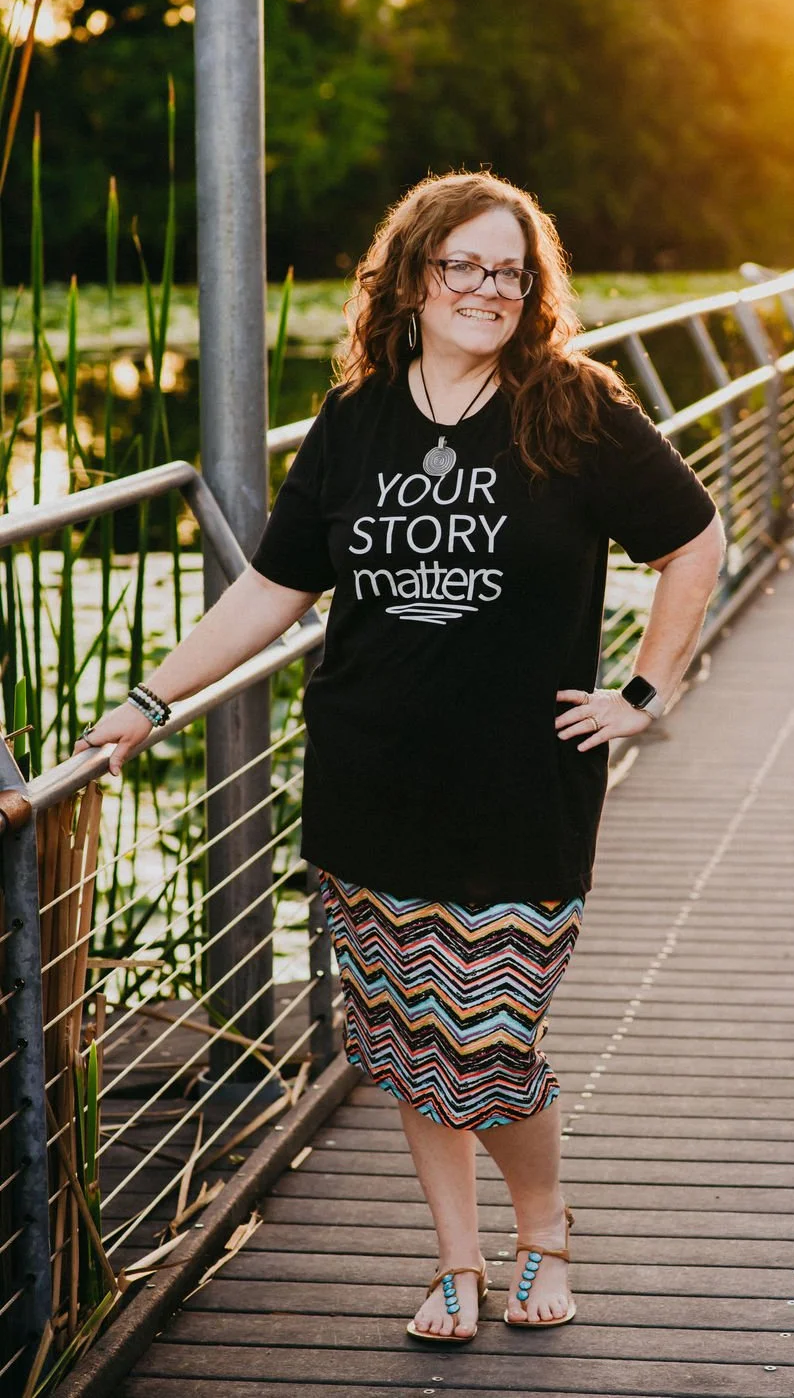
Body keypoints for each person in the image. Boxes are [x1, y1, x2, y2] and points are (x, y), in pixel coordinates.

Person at [75, 171, 724, 1342]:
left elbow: (694, 537)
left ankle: (545, 1229)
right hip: (370, 785)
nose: (487, 288)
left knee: (488, 1037)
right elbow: (273, 588)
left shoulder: (572, 409)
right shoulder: (356, 421)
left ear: (531, 291)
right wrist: (147, 698)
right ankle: (457, 1261)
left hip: (521, 790)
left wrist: (645, 689)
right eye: (462, 265)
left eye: (509, 271)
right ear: (414, 279)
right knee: (408, 1040)